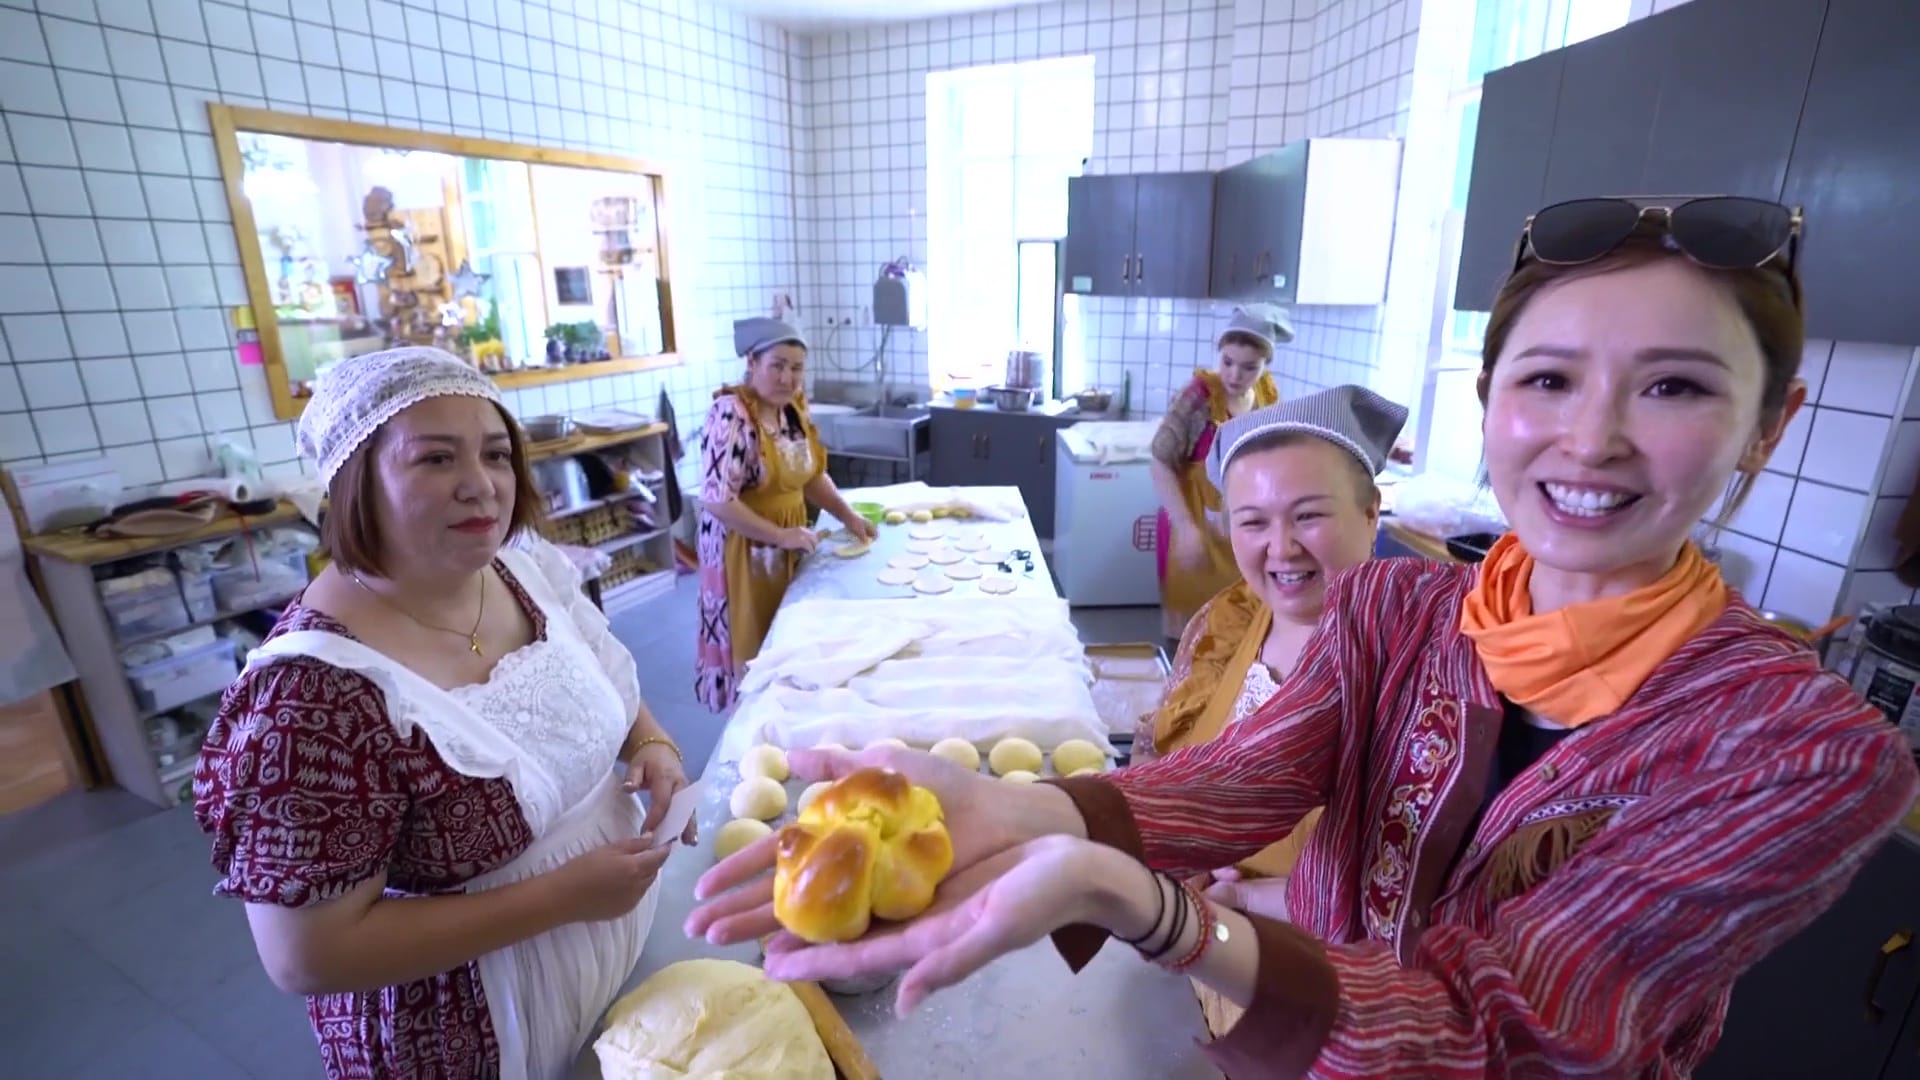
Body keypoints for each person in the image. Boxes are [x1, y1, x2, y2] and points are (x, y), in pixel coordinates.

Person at [688, 198, 1920, 1078]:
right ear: (1489, 401)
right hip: (1284, 1040)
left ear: (1770, 426)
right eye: (1547, 379)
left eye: (1675, 386)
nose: (1590, 439)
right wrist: (1030, 812)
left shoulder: (1801, 753)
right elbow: (1243, 778)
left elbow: (1506, 1030)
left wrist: (1143, 906)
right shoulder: (1397, 611)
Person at [194, 347, 695, 1080]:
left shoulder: (520, 567)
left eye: (496, 454)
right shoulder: (310, 699)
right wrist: (560, 898)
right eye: (435, 458)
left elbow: (596, 678)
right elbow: (307, 956)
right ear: (357, 479)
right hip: (472, 1030)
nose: (481, 485)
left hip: (613, 953)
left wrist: (652, 743)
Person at [1136, 384, 1407, 1038]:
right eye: (1253, 522)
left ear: (1371, 513)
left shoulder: (1420, 660)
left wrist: (1253, 897)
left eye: (1308, 516)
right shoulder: (1229, 621)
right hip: (1194, 965)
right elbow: (1159, 752)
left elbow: (1425, 883)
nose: (1281, 549)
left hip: (1325, 1009)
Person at [695, 317, 877, 712]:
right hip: (743, 550)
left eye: (796, 368)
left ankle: (792, 714)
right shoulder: (731, 415)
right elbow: (717, 500)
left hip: (788, 539)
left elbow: (810, 476)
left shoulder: (792, 409)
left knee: (789, 635)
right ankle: (756, 727)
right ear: (752, 363)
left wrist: (847, 516)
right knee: (755, 646)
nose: (787, 378)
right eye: (777, 365)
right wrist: (779, 536)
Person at [1153, 305, 1289, 639]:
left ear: (1265, 365)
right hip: (1192, 522)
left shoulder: (1267, 398)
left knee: (1234, 630)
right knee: (1189, 634)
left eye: (1249, 367)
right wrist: (1186, 527)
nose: (1234, 375)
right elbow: (1160, 461)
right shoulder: (1198, 398)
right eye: (1227, 362)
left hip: (1238, 529)